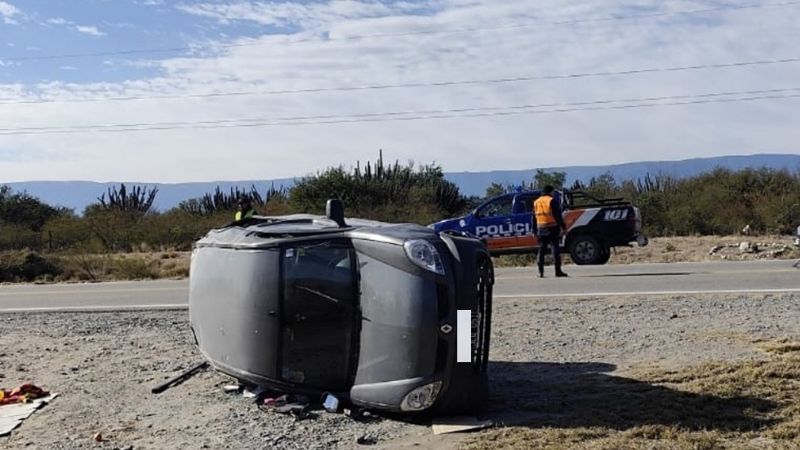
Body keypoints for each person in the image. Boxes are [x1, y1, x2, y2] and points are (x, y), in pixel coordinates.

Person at [533, 185, 568, 278]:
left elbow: (533, 217)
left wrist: (534, 231)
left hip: (541, 229)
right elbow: (557, 216)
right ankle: (558, 271)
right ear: (550, 192)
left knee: (541, 251)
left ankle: (540, 272)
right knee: (555, 249)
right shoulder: (551, 200)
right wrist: (563, 227)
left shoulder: (536, 202)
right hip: (552, 228)